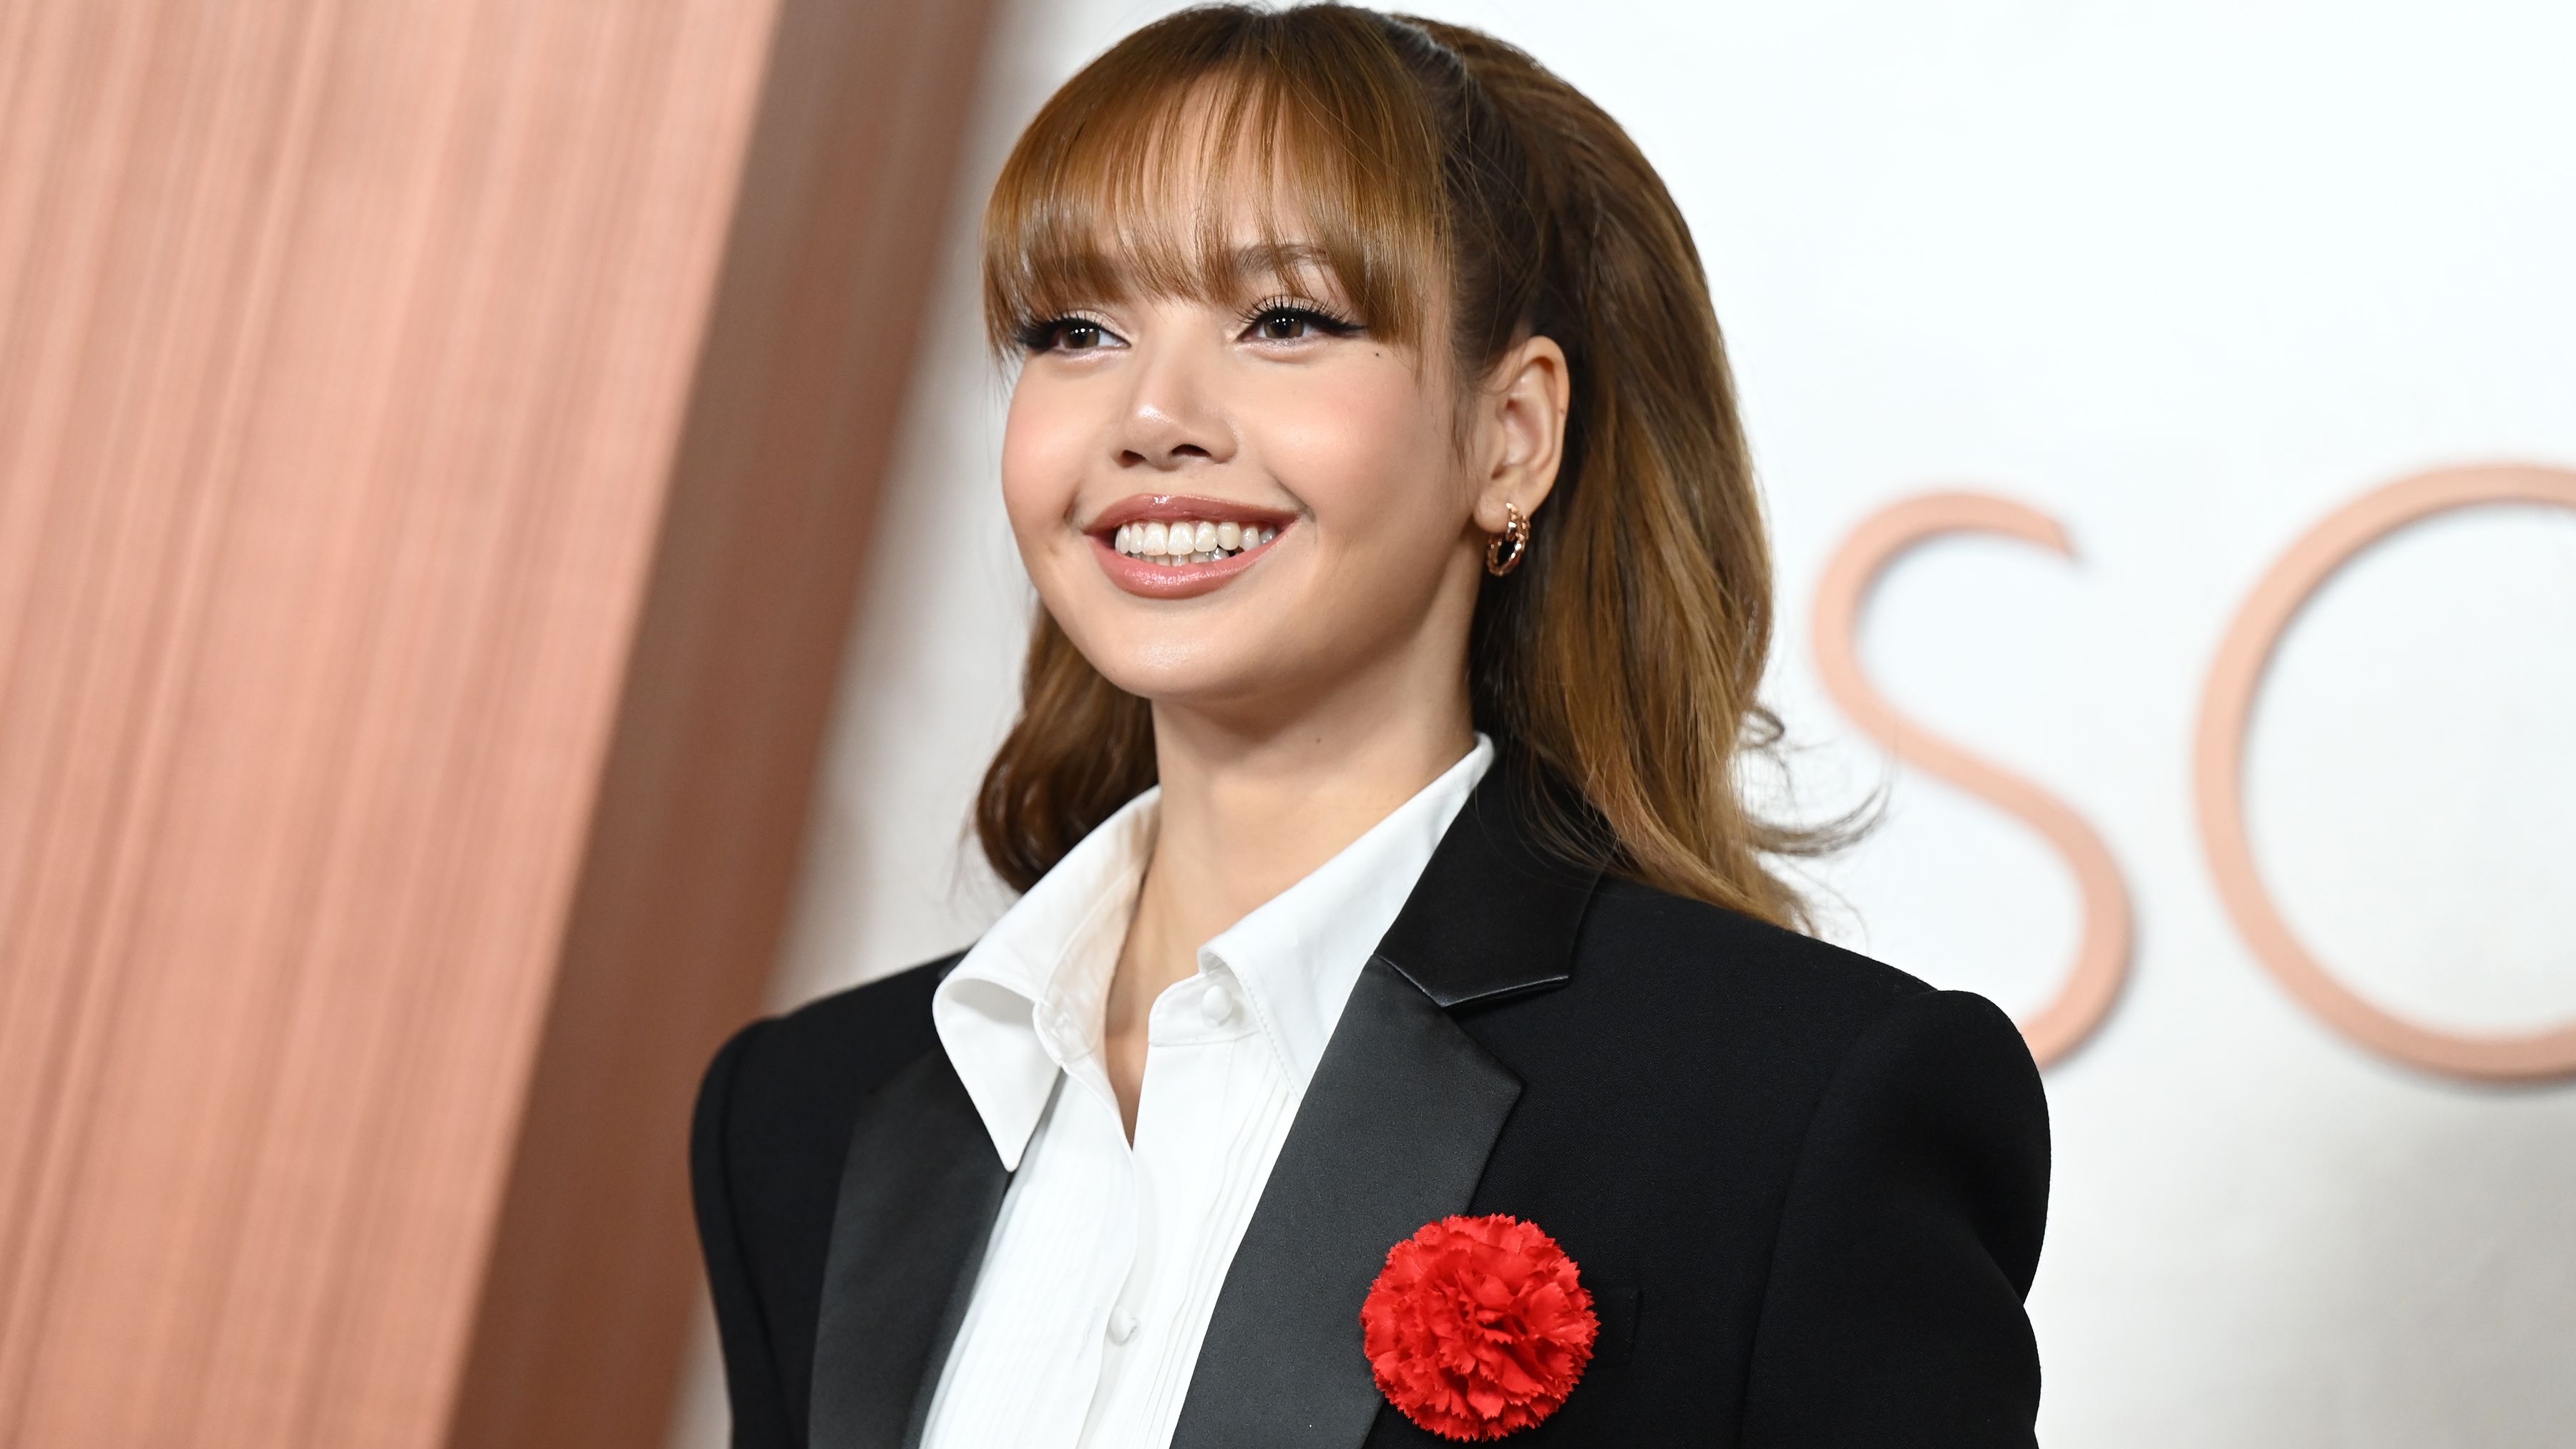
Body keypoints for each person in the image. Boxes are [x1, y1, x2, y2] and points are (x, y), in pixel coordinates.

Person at [689, 6, 2049, 1447]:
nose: (1152, 413)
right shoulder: (803, 1114)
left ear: (1510, 433)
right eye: (1075, 328)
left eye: (1286, 320)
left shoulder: (1792, 1109)